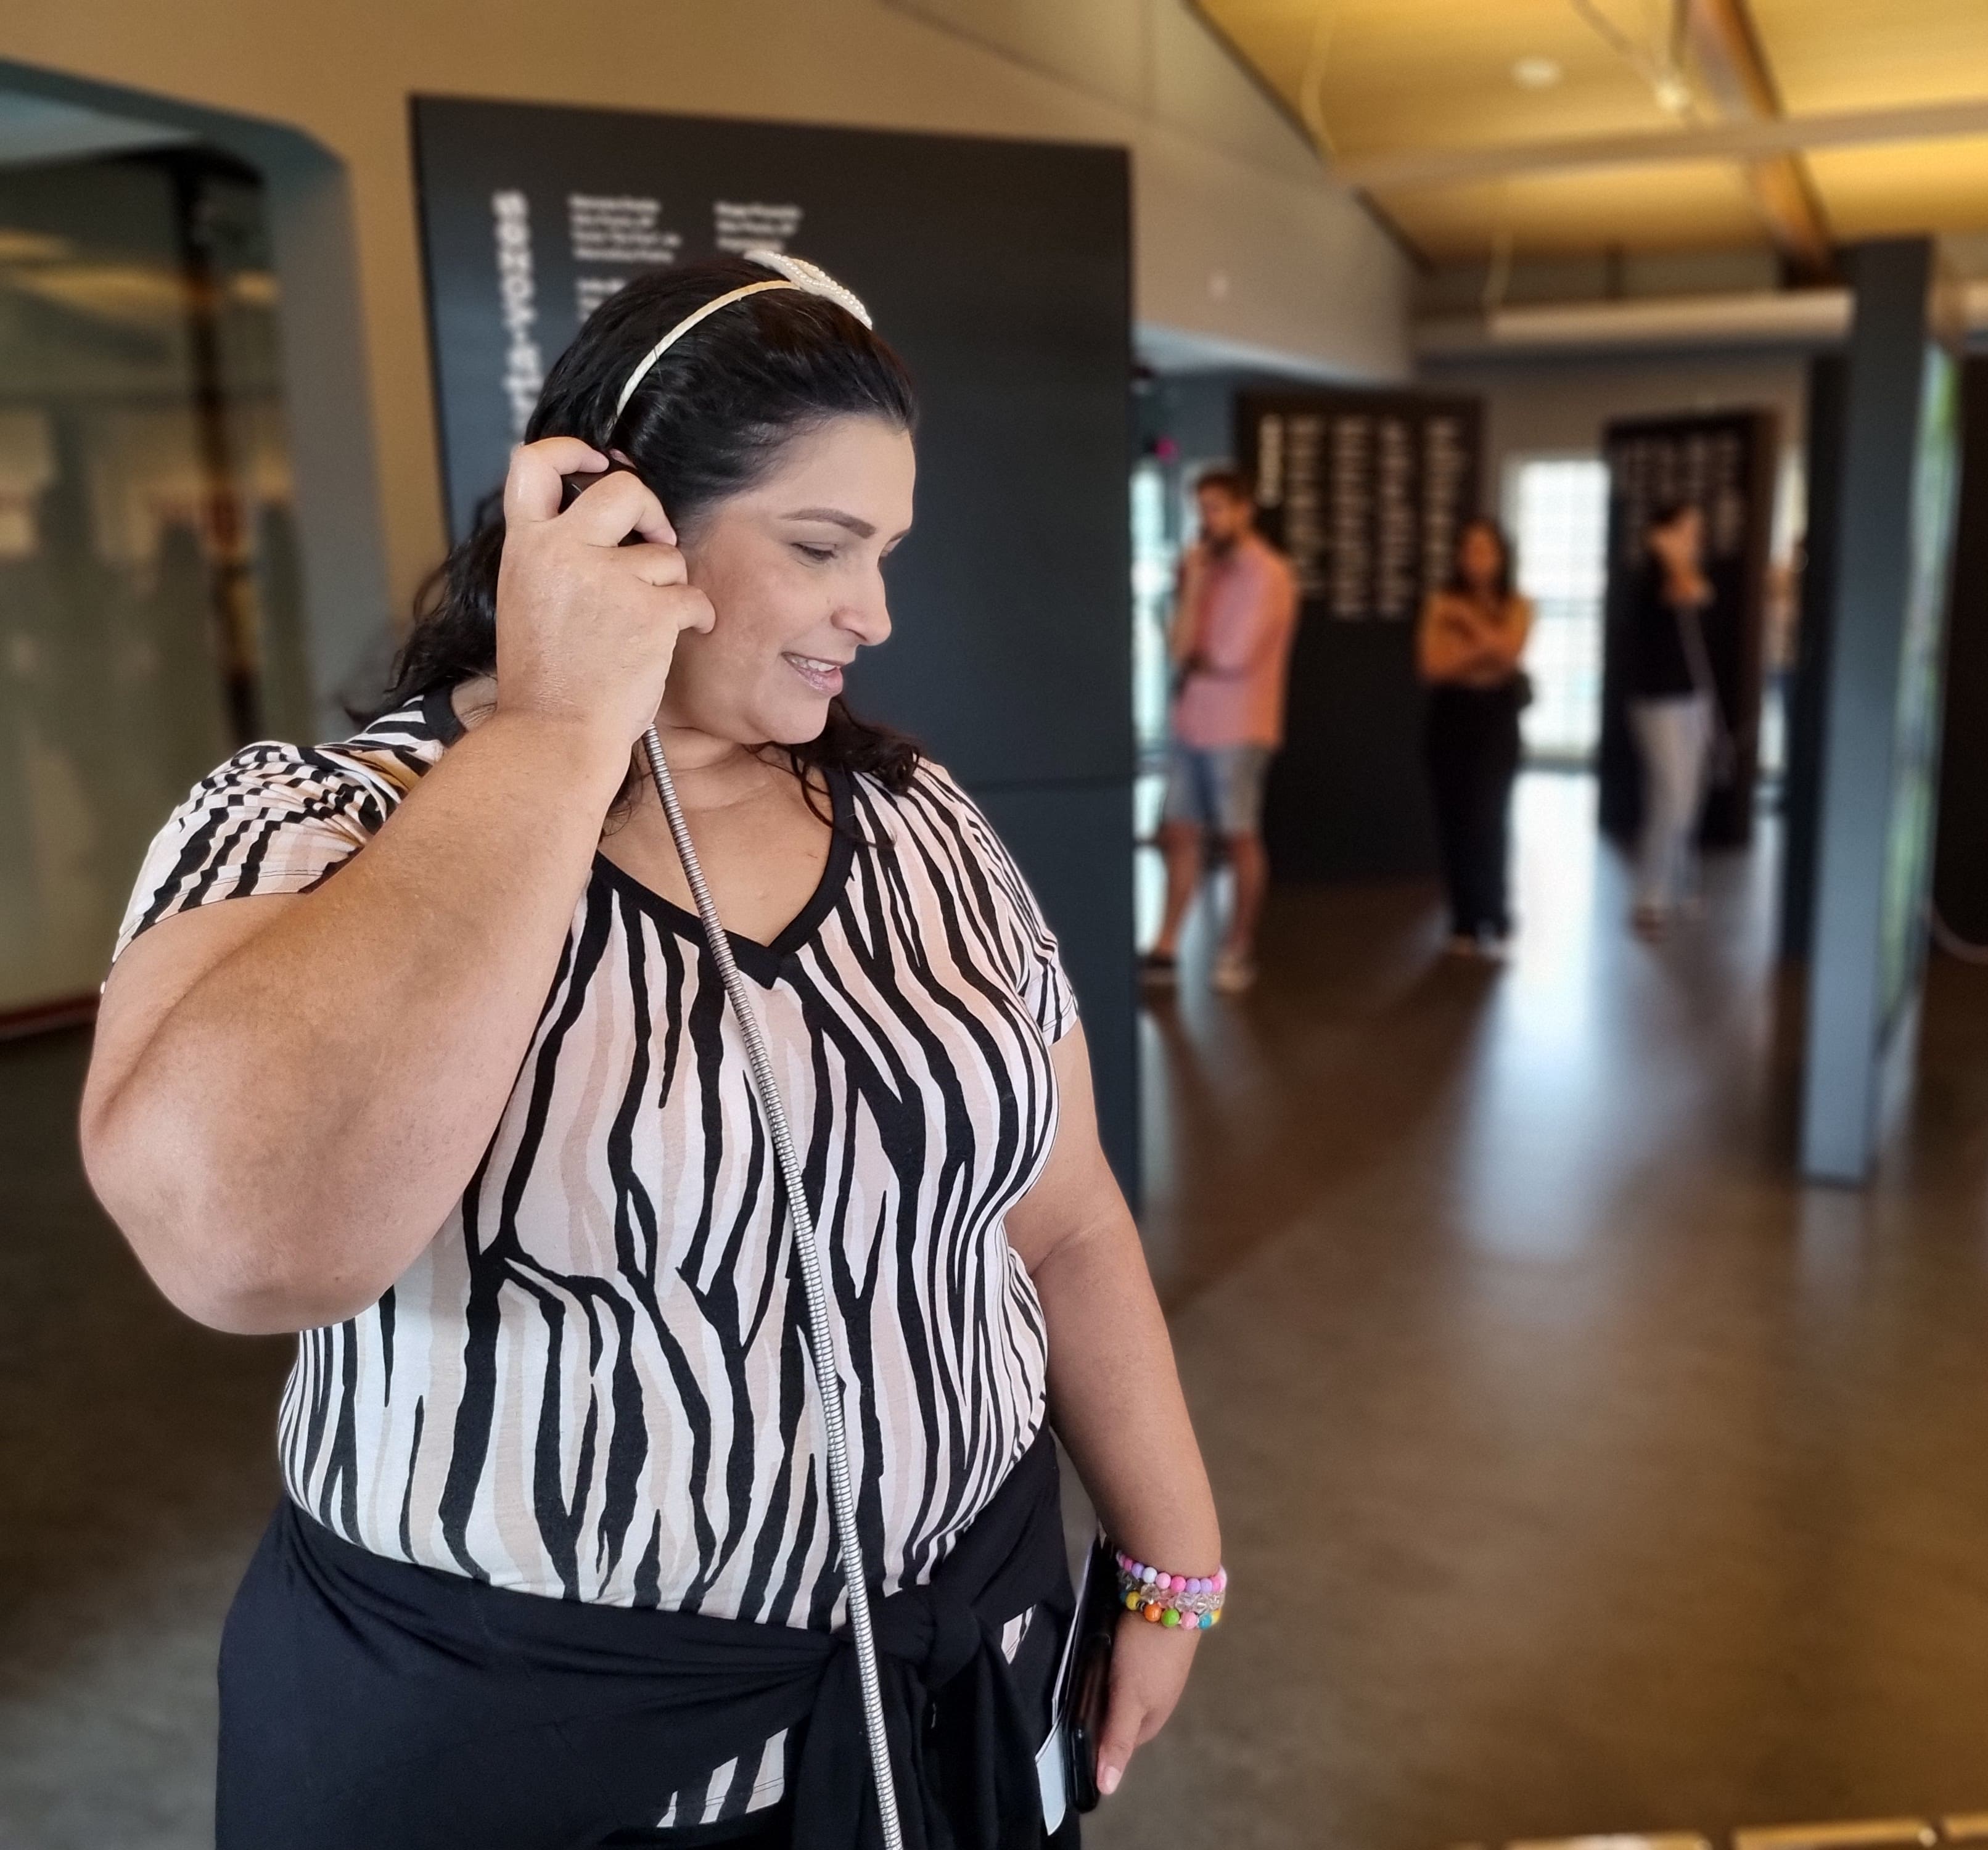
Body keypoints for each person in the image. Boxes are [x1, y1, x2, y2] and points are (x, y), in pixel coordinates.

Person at [78, 254, 1222, 1849]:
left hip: (954, 1672)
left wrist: (1171, 1562)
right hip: (537, 1749)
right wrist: (558, 730)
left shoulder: (918, 821)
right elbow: (243, 1245)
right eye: (820, 546)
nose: (874, 611)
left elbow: (1066, 1217)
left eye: (884, 553)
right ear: (611, 521)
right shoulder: (312, 825)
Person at [1141, 468, 1296, 996]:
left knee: (1238, 837)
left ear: (1244, 509)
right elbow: (1180, 647)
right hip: (1192, 721)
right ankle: (1166, 944)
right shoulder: (1205, 571)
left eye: (1217, 508)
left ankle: (1238, 946)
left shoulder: (1269, 574)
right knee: (1180, 833)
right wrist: (1195, 585)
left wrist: (1197, 653)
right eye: (1202, 509)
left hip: (1241, 727)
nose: (1207, 520)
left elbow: (1230, 656)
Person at [1417, 515, 1532, 954]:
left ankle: (1495, 912)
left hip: (1497, 720)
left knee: (1490, 816)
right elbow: (1432, 666)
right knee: (1454, 820)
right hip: (1449, 716)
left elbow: (1510, 652)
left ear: (1502, 556)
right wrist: (1486, 650)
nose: (1476, 559)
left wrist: (1465, 623)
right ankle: (1463, 919)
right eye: (1468, 550)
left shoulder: (1518, 603)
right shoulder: (1438, 603)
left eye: (1485, 550)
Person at [1622, 501, 1724, 937]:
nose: (1697, 539)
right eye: (1688, 530)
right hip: (1657, 702)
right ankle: (1650, 897)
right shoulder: (1650, 574)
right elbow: (1686, 591)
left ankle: (1678, 883)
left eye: (1700, 531)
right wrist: (1666, 553)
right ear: (1664, 534)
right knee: (1673, 795)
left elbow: (1702, 593)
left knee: (1687, 795)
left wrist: (1678, 554)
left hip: (1694, 699)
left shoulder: (1694, 571)